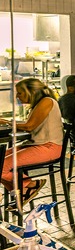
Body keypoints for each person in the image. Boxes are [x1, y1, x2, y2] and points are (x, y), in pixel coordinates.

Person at [0, 79, 64, 209]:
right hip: (37, 145)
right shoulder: (39, 104)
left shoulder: (47, 101)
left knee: (1, 167)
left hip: (49, 147)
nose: (17, 96)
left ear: (32, 91)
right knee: (0, 160)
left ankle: (30, 185)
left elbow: (29, 126)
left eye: (20, 93)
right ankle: (24, 191)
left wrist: (6, 122)